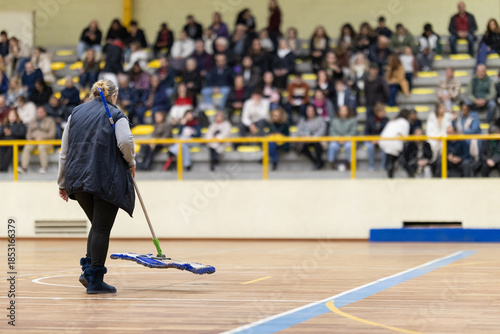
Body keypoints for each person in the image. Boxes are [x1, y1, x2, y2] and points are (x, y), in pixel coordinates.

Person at [58, 79, 136, 294]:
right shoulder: (116, 114)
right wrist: (131, 162)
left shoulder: (75, 113)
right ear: (114, 95)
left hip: (77, 179)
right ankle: (95, 280)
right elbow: (126, 142)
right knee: (102, 228)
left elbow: (64, 152)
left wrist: (62, 183)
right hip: (104, 178)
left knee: (97, 225)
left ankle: (88, 271)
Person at [19, 105, 56, 174]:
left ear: (45, 112)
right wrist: (30, 139)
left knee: (41, 147)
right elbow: (28, 133)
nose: (39, 113)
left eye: (41, 112)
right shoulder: (33, 121)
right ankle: (24, 168)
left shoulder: (50, 121)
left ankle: (44, 167)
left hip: (47, 141)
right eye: (38, 112)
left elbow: (52, 133)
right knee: (27, 147)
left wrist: (42, 138)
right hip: (34, 140)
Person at [379, 109, 411, 178]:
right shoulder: (405, 122)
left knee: (391, 159)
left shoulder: (392, 121)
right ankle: (411, 173)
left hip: (384, 141)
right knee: (400, 159)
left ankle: (390, 175)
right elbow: (405, 137)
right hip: (394, 143)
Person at [294, 104, 326, 170]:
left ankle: (319, 160)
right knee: (302, 147)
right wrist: (305, 135)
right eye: (308, 111)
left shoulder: (320, 119)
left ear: (314, 111)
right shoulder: (302, 120)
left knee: (317, 145)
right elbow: (299, 131)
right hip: (306, 139)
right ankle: (316, 161)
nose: (310, 112)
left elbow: (322, 129)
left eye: (312, 111)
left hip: (316, 139)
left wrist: (313, 137)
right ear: (306, 111)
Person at [327, 105, 357, 170]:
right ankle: (331, 163)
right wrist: (338, 139)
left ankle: (351, 163)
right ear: (339, 112)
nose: (343, 112)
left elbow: (353, 132)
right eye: (342, 110)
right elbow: (332, 131)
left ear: (348, 111)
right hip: (337, 140)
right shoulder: (334, 120)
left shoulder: (352, 120)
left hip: (348, 140)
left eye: (345, 110)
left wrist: (345, 139)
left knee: (349, 146)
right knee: (332, 146)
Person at [365, 102, 389, 171]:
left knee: (385, 148)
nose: (384, 113)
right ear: (377, 112)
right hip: (371, 140)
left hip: (382, 140)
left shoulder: (386, 120)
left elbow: (387, 133)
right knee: (369, 147)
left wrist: (379, 140)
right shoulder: (370, 119)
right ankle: (371, 166)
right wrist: (371, 140)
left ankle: (383, 166)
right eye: (383, 111)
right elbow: (366, 133)